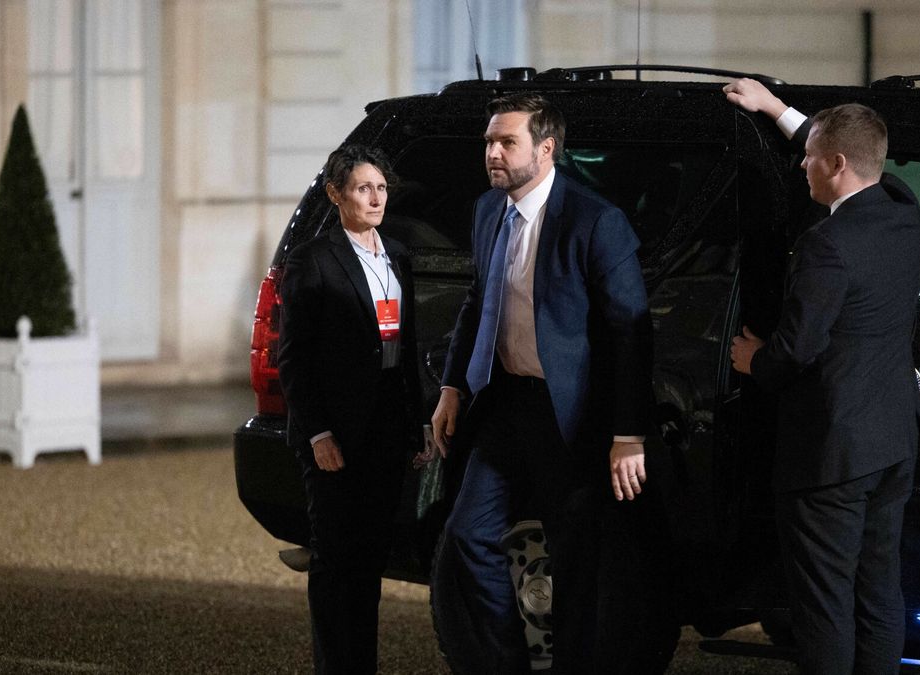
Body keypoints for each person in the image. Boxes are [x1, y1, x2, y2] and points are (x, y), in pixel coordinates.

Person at [429, 93, 655, 674]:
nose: (493, 153)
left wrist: (629, 433)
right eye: (489, 142)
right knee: (465, 536)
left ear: (546, 148)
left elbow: (631, 332)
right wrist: (452, 387)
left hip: (572, 416)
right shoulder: (487, 211)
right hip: (503, 403)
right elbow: (477, 302)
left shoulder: (595, 220)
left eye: (507, 142)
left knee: (576, 563)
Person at [724, 78, 920, 675]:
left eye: (811, 157)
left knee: (823, 603)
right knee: (879, 589)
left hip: (831, 455)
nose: (803, 162)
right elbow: (837, 140)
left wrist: (751, 359)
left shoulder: (828, 243)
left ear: (836, 165)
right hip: (892, 441)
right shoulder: (901, 208)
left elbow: (795, 352)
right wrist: (777, 110)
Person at [277, 144, 430, 674]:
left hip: (384, 429)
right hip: (335, 434)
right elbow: (293, 358)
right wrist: (317, 433)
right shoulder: (313, 260)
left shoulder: (398, 255)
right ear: (335, 194)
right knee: (336, 560)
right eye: (363, 188)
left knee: (369, 562)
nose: (375, 197)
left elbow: (405, 350)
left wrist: (417, 427)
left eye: (381, 188)